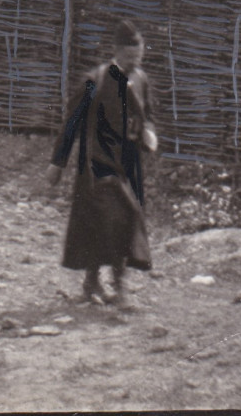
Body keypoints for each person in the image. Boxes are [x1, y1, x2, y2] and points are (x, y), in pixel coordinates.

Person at [48, 19, 160, 306]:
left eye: (138, 56)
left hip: (128, 161)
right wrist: (57, 164)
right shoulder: (95, 80)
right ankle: (104, 284)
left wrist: (148, 132)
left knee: (122, 217)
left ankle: (105, 282)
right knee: (107, 219)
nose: (134, 62)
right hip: (97, 161)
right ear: (116, 51)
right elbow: (71, 123)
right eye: (128, 57)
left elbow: (147, 114)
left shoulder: (141, 79)